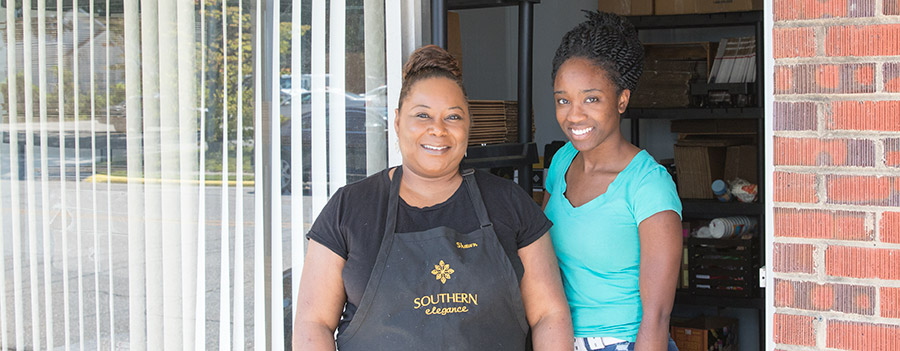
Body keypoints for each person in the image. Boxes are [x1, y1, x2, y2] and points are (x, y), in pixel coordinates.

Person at [293, 45, 572, 350]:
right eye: (422, 115)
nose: (437, 130)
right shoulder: (349, 208)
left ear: (469, 126)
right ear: (398, 122)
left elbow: (549, 314)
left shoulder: (509, 203)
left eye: (453, 117)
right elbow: (313, 323)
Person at [541, 11, 683, 351]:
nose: (574, 115)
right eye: (563, 100)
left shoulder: (648, 185)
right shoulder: (562, 163)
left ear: (622, 100)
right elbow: (541, 257)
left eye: (591, 99)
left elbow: (657, 316)